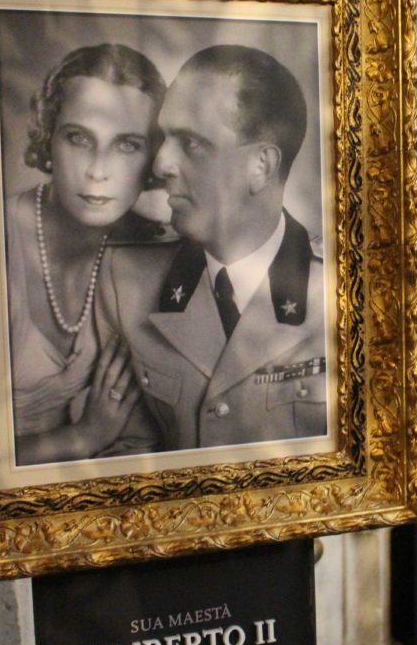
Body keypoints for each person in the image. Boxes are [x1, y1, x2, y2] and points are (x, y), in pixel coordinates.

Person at [97, 44, 327, 452]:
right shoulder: (126, 281)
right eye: (164, 137)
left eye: (191, 143)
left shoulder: (348, 289)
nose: (160, 164)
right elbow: (123, 451)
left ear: (262, 166)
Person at [6, 43, 166, 465]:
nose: (98, 171)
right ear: (48, 136)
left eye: (127, 145)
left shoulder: (146, 251)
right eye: (78, 138)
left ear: (153, 158)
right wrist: (81, 439)